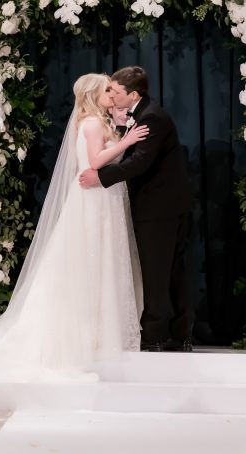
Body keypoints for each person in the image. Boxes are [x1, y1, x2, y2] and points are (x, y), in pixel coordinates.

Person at [0, 74, 147, 403]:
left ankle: (99, 337)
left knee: (102, 264)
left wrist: (119, 130)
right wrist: (126, 141)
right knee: (90, 262)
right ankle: (84, 339)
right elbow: (94, 162)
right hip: (93, 202)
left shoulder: (97, 121)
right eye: (107, 89)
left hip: (104, 199)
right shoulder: (91, 122)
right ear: (94, 94)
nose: (112, 93)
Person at [79, 66, 194, 352]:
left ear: (133, 94)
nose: (112, 95)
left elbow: (139, 162)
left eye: (116, 92)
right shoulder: (136, 114)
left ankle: (156, 336)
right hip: (158, 204)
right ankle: (177, 333)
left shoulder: (151, 117)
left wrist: (100, 178)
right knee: (164, 270)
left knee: (159, 270)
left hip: (160, 207)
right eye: (108, 90)